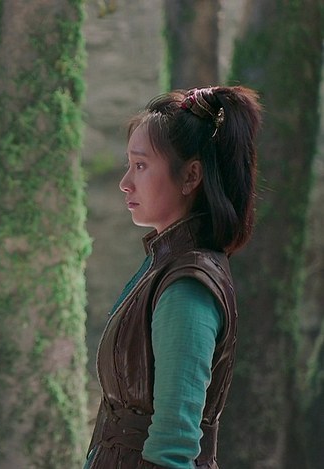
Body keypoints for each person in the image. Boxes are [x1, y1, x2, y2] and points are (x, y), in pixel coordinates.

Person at [84, 86, 262, 469]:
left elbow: (173, 447)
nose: (125, 182)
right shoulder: (163, 265)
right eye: (129, 164)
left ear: (191, 175)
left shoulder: (188, 286)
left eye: (141, 165)